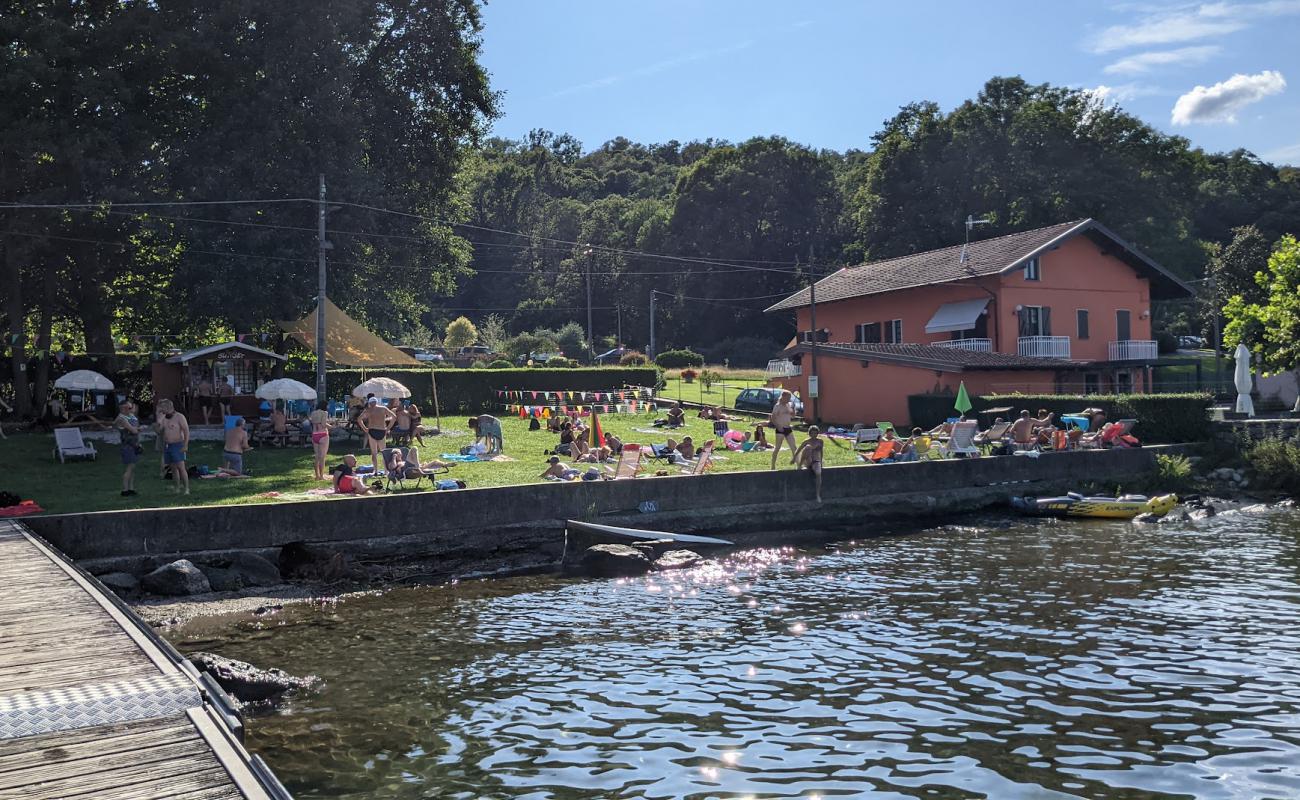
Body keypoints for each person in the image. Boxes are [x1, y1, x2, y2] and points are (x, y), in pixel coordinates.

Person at [155, 398, 191, 495]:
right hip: (168, 445)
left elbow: (186, 431)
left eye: (162, 409)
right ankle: (177, 487)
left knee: (181, 467)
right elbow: (158, 432)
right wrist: (158, 422)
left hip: (178, 444)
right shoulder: (163, 418)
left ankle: (186, 488)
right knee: (173, 468)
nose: (161, 411)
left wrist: (185, 444)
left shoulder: (179, 417)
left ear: (167, 408)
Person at [358, 397, 396, 471]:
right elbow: (394, 417)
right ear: (376, 402)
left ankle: (376, 471)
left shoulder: (368, 410)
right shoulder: (383, 409)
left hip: (372, 431)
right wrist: (388, 428)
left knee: (374, 453)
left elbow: (359, 419)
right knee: (384, 453)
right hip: (381, 430)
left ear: (370, 403)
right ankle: (386, 471)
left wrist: (365, 429)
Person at [114, 400, 142, 497]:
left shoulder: (130, 417)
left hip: (133, 445)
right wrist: (137, 429)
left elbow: (136, 428)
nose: (130, 410)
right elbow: (133, 430)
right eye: (128, 408)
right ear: (123, 408)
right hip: (128, 446)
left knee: (132, 468)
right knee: (129, 468)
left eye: (131, 408)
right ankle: (125, 490)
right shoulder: (122, 418)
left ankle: (131, 488)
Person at [792, 426, 825, 502]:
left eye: (815, 433)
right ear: (809, 433)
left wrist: (821, 461)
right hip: (808, 461)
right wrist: (794, 458)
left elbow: (821, 451)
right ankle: (800, 465)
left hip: (816, 461)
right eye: (812, 433)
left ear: (817, 433)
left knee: (818, 473)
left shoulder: (820, 441)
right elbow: (798, 450)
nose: (814, 435)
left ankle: (817, 495)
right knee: (808, 448)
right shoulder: (806, 441)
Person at [769, 390, 798, 469]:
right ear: (783, 397)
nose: (789, 399)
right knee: (777, 448)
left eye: (790, 398)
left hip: (788, 428)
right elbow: (773, 418)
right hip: (780, 429)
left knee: (794, 447)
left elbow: (793, 416)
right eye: (788, 397)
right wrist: (778, 427)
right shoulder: (777, 406)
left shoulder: (788, 405)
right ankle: (773, 466)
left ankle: (799, 465)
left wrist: (794, 409)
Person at [307, 407, 333, 480]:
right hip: (323, 434)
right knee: (322, 457)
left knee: (317, 456)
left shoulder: (313, 413)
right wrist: (332, 426)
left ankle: (317, 476)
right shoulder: (324, 413)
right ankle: (321, 476)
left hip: (315, 434)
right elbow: (324, 424)